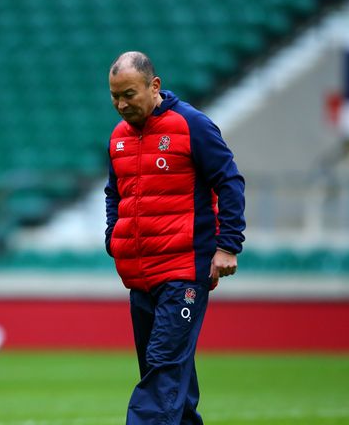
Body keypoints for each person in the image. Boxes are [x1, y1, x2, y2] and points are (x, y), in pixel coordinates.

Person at [104, 52, 245, 424]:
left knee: (162, 372)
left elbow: (229, 181)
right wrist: (112, 237)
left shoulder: (192, 125)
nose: (121, 105)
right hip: (139, 276)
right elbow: (114, 194)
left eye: (129, 94)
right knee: (169, 381)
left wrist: (228, 244)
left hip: (183, 272)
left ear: (154, 86)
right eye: (115, 96)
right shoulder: (118, 137)